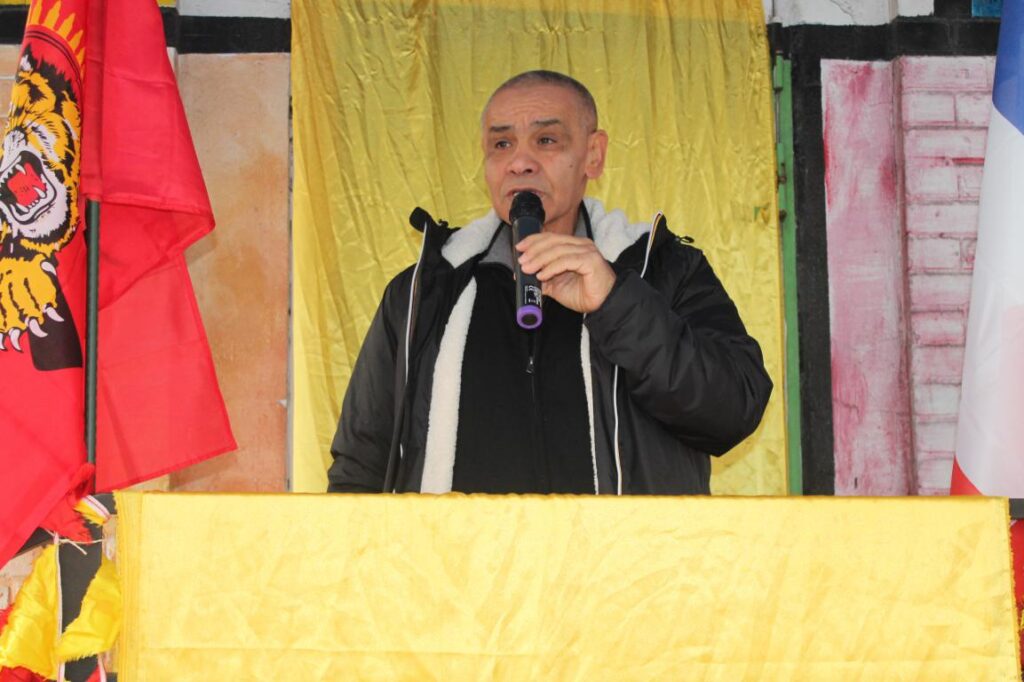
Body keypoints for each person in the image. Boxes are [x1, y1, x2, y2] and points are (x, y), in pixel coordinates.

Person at [328, 70, 772, 495]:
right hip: (462, 551)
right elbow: (359, 465)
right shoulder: (424, 291)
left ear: (594, 155)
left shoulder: (660, 269)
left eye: (546, 140)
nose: (520, 163)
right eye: (501, 144)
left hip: (622, 551)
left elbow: (734, 410)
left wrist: (616, 302)